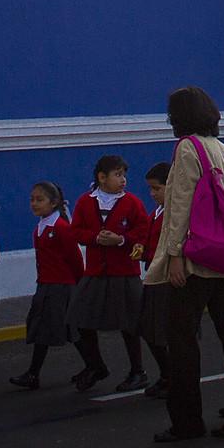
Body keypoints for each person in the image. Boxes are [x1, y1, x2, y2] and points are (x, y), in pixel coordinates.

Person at [147, 86, 224, 444]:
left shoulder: (187, 148)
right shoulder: (221, 148)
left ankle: (187, 420)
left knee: (182, 341)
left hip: (197, 259)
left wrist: (176, 253)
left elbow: (179, 204)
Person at [68, 155, 148, 393]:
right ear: (102, 178)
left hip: (124, 272)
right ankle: (95, 364)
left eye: (123, 174)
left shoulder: (132, 203)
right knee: (80, 318)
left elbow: (143, 231)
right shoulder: (86, 202)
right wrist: (94, 238)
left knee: (129, 324)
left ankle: (138, 371)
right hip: (95, 271)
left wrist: (121, 240)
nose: (122, 180)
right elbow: (76, 231)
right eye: (117, 175)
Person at [11, 182, 80, 390]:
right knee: (43, 328)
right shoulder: (41, 227)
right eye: (32, 199)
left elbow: (75, 258)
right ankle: (33, 373)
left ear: (54, 202)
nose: (34, 203)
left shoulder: (61, 228)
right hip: (46, 285)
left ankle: (95, 365)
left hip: (61, 286)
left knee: (69, 329)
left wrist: (79, 284)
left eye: (39, 200)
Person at [133, 164, 171, 398]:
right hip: (153, 276)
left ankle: (172, 375)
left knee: (161, 331)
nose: (152, 193)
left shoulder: (174, 214)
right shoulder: (157, 213)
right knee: (148, 329)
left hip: (166, 279)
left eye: (156, 188)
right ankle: (167, 373)